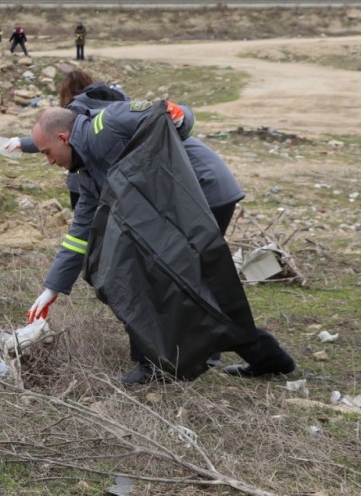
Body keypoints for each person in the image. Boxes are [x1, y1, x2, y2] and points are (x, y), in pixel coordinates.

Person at [26, 102, 295, 385]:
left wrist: (180, 115)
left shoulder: (106, 123)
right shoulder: (86, 170)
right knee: (176, 281)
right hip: (174, 205)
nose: (49, 161)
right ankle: (260, 357)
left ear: (63, 138)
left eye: (47, 152)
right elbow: (81, 230)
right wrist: (52, 288)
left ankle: (158, 365)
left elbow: (172, 115)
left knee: (171, 281)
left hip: (200, 193)